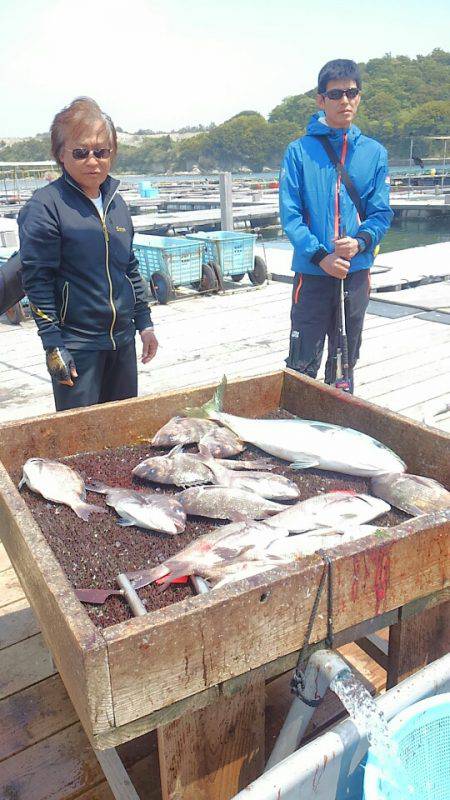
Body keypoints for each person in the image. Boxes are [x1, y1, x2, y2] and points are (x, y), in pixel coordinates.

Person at [19, 97, 158, 411]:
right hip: (76, 345)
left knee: (123, 430)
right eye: (81, 152)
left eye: (101, 151)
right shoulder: (45, 206)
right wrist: (53, 345)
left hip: (122, 342)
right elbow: (37, 280)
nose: (93, 161)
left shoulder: (116, 203)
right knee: (79, 440)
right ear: (61, 155)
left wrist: (145, 324)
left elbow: (129, 267)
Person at [279, 59, 393, 393]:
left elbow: (381, 213)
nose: (345, 100)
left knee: (345, 361)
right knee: (301, 362)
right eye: (335, 94)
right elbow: (291, 215)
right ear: (321, 100)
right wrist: (320, 257)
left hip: (356, 273)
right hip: (313, 275)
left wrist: (359, 242)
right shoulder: (298, 151)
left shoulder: (374, 152)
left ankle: (337, 428)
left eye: (351, 93)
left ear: (359, 97)